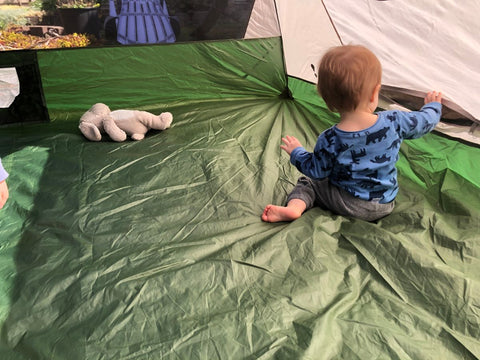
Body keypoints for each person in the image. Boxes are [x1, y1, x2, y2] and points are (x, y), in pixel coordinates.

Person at [262, 45, 442, 222]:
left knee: (309, 183)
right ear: (374, 94)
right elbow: (424, 123)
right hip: (385, 202)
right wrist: (433, 107)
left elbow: (316, 170)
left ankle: (294, 208)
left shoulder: (330, 138)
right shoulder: (394, 120)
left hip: (347, 203)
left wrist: (297, 152)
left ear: (329, 102)